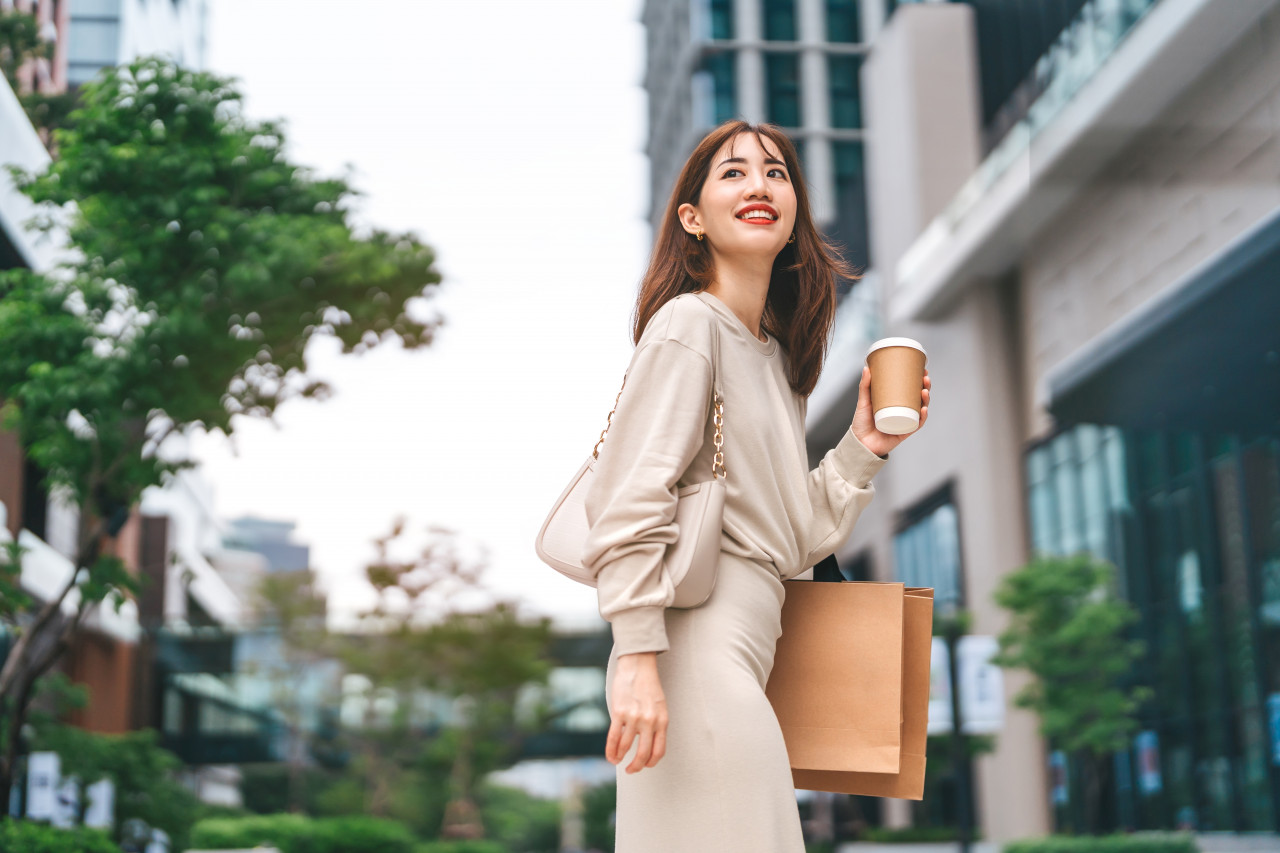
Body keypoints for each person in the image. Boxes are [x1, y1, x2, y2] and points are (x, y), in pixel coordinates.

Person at [581, 120, 931, 852]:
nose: (760, 185)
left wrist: (867, 443)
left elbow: (795, 535)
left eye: (776, 172)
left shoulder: (773, 358)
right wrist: (639, 657)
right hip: (693, 648)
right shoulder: (687, 325)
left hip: (750, 639)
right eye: (733, 173)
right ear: (692, 218)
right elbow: (627, 498)